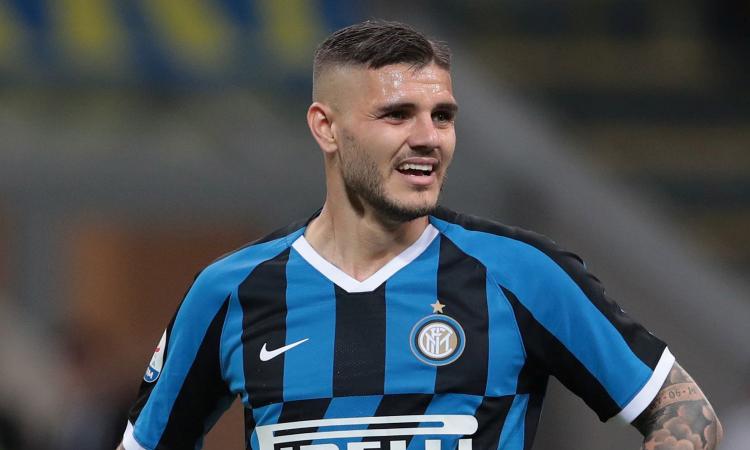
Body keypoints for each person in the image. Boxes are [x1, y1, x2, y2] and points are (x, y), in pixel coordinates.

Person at [117, 20, 722, 450]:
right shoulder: (230, 292)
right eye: (397, 114)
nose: (429, 138)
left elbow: (685, 411)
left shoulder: (522, 272)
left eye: (443, 116)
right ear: (326, 128)